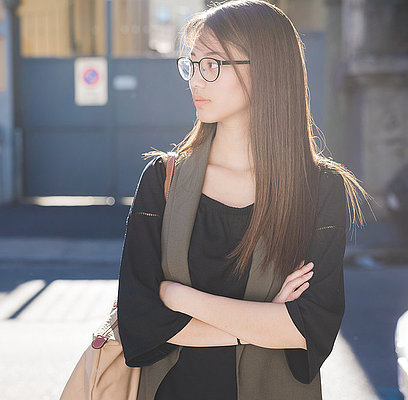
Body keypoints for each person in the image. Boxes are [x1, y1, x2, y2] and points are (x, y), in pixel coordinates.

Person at [116, 1, 374, 399]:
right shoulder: (163, 180)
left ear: (267, 69)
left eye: (212, 65)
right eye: (192, 64)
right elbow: (140, 324)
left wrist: (178, 296)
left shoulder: (320, 188)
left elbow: (310, 330)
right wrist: (263, 321)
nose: (196, 81)